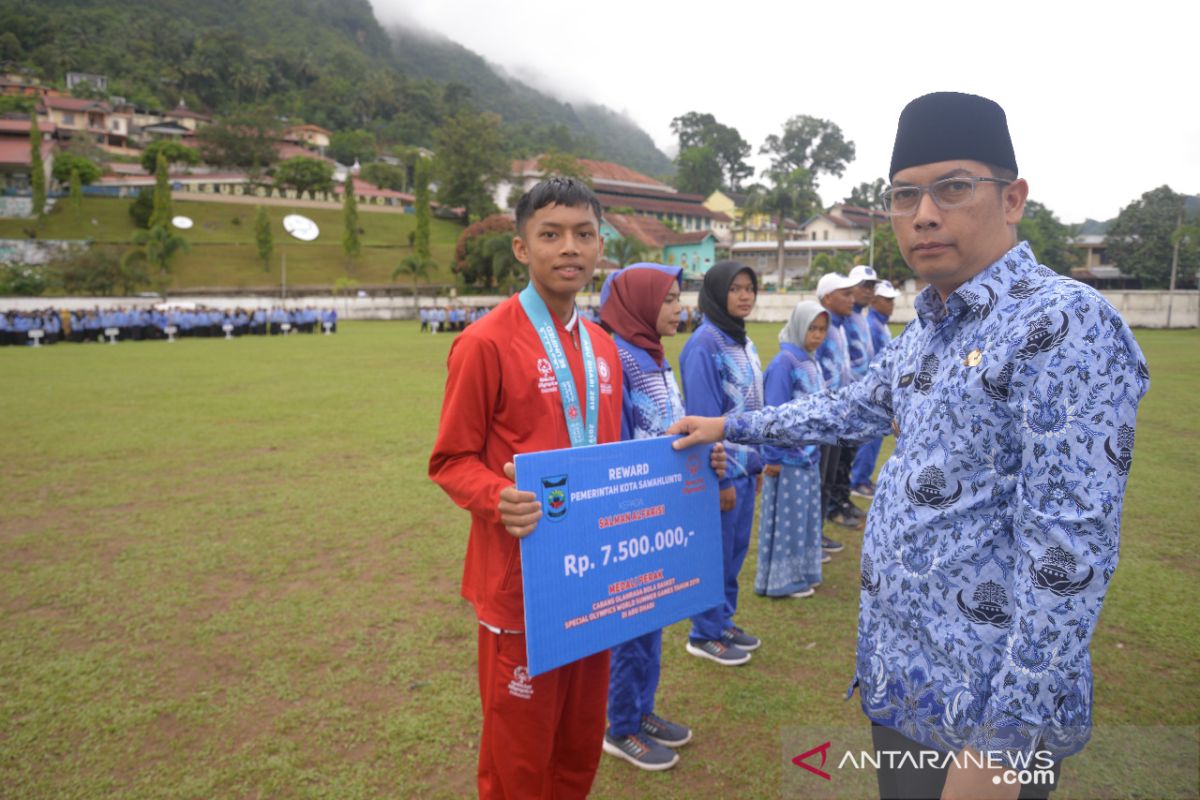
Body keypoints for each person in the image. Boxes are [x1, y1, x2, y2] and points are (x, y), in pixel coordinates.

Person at [668, 91, 1149, 800]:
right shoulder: (927, 329)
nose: (923, 214)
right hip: (904, 680)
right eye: (903, 195)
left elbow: (1068, 552)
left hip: (983, 707)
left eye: (953, 188)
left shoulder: (1063, 323)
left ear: (1012, 198)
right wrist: (728, 425)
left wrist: (1007, 746)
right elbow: (847, 407)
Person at [428, 177, 623, 799]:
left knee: (578, 737)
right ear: (521, 249)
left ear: (599, 249)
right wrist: (496, 498)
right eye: (551, 234)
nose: (570, 248)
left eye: (584, 234)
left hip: (594, 577)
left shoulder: (602, 346)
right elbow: (451, 458)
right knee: (518, 751)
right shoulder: (484, 342)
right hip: (520, 585)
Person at [598, 263, 693, 772]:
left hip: (661, 509)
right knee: (631, 621)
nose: (680, 308)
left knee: (652, 618)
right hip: (632, 514)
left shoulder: (653, 356)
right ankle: (621, 726)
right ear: (638, 302)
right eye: (670, 299)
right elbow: (614, 444)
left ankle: (642, 708)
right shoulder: (618, 357)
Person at [679, 260, 763, 666]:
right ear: (716, 292)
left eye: (750, 288)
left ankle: (723, 620)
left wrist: (757, 464)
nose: (744, 296)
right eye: (736, 289)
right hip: (720, 473)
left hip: (747, 470)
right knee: (713, 554)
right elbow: (703, 418)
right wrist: (723, 477)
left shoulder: (742, 341)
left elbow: (754, 407)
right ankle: (704, 632)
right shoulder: (704, 343)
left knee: (735, 552)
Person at [755, 300, 828, 599]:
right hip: (787, 460)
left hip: (808, 457)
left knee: (804, 519)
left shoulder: (810, 360)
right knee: (788, 523)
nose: (817, 335)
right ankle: (783, 581)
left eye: (823, 329)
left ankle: (802, 573)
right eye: (812, 328)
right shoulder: (785, 363)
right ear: (799, 326)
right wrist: (772, 457)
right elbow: (773, 412)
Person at [812, 272, 860, 541]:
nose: (852, 299)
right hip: (824, 414)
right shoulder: (821, 329)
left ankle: (818, 531)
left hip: (840, 413)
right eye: (846, 294)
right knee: (820, 478)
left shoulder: (839, 327)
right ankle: (814, 535)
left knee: (831, 475)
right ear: (828, 297)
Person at [851, 279, 901, 499]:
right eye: (887, 300)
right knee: (869, 438)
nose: (891, 305)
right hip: (873, 390)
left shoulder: (879, 323)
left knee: (875, 438)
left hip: (882, 390)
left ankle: (863, 478)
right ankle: (858, 480)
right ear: (875, 301)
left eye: (892, 301)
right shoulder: (871, 325)